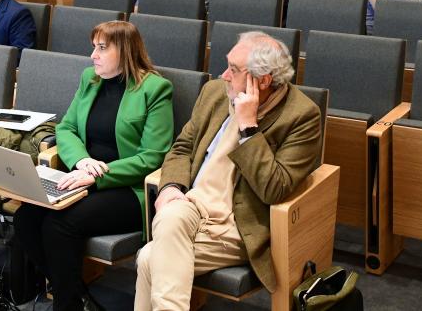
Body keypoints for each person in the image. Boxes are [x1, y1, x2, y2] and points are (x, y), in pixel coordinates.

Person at [134, 29, 320, 311]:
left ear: (264, 80)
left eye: (233, 69)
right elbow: (183, 146)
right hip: (192, 205)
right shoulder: (215, 93)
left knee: (149, 258)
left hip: (237, 224)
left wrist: (249, 130)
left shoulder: (302, 116)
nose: (224, 75)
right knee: (170, 214)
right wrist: (171, 186)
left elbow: (275, 188)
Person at [16, 20, 174, 311]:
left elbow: (153, 157)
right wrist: (82, 161)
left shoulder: (155, 89)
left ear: (125, 51)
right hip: (81, 175)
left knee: (58, 224)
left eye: (102, 48)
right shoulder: (90, 79)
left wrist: (98, 175)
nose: (94, 55)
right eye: (94, 47)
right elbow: (66, 129)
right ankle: (78, 295)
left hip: (129, 188)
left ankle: (68, 305)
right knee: (25, 217)